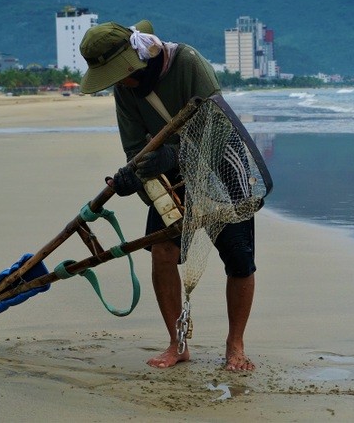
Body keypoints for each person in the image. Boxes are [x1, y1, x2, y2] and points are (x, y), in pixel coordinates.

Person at [79, 20, 256, 371]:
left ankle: (235, 344)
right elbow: (135, 147)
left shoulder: (188, 64)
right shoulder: (125, 89)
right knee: (161, 251)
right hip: (169, 176)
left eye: (120, 75)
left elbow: (217, 129)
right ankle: (177, 343)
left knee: (239, 258)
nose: (120, 83)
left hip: (220, 164)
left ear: (138, 59)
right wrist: (136, 175)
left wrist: (175, 154)